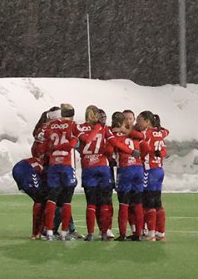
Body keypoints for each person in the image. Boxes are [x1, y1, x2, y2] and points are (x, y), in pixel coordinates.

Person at [35, 103, 80, 239]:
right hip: (67, 165)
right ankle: (65, 232)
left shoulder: (49, 126)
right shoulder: (73, 125)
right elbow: (75, 143)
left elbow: (41, 146)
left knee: (52, 199)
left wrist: (52, 150)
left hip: (53, 165)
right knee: (66, 200)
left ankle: (49, 231)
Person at [77, 106, 116, 240]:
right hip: (102, 166)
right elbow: (113, 144)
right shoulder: (104, 128)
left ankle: (90, 234)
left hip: (88, 167)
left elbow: (82, 141)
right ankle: (104, 232)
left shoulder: (79, 127)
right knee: (105, 201)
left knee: (91, 202)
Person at [110, 111, 145, 240]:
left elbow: (111, 148)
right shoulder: (136, 133)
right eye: (126, 118)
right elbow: (141, 137)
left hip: (126, 169)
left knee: (124, 203)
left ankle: (123, 234)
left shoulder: (115, 133)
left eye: (131, 118)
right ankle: (138, 234)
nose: (129, 121)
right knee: (137, 203)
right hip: (138, 169)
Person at [138, 111, 170, 241]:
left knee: (148, 202)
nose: (137, 123)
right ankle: (160, 233)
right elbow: (164, 150)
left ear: (147, 121)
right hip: (159, 170)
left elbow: (142, 146)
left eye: (139, 120)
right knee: (157, 202)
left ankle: (150, 233)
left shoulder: (145, 134)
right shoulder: (160, 133)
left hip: (149, 170)